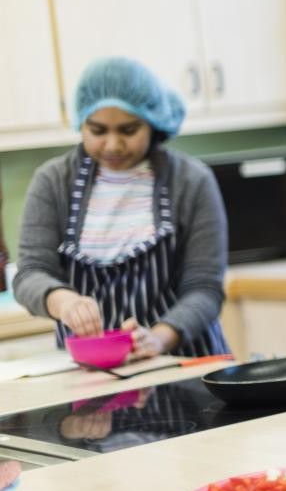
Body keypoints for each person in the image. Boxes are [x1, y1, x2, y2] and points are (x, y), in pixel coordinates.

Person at [14, 57, 230, 359]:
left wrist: (157, 339)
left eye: (128, 130)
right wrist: (64, 302)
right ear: (81, 123)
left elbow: (205, 288)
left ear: (151, 123)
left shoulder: (192, 181)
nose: (113, 145)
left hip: (183, 361)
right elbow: (30, 274)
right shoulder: (52, 182)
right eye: (98, 130)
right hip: (92, 371)